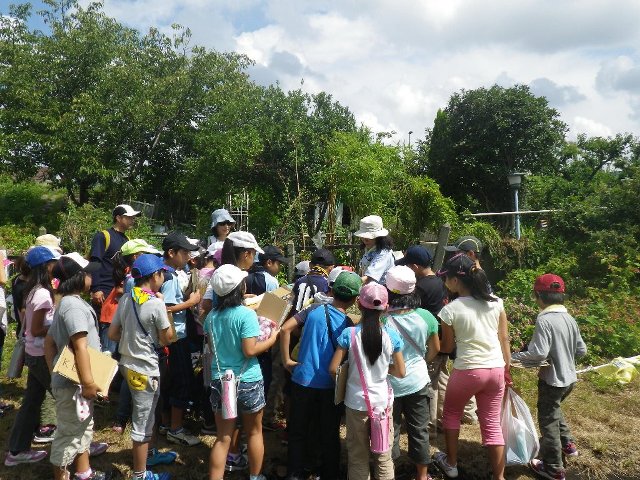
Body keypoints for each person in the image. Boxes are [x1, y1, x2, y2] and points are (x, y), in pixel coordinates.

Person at [432, 253, 511, 480]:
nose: (445, 282)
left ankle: (452, 464)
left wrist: (432, 347)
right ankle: (499, 477)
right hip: (495, 369)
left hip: (467, 369)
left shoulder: (450, 310)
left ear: (456, 280)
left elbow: (447, 347)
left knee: (452, 414)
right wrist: (507, 368)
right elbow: (504, 339)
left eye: (446, 277)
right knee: (491, 422)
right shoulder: (496, 302)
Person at [280, 271, 362, 480]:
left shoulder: (313, 310)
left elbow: (285, 329)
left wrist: (286, 360)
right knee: (329, 433)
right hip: (329, 386)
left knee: (298, 431)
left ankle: (294, 473)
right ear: (354, 299)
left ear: (331, 290)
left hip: (302, 380)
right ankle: (330, 472)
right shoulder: (348, 325)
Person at [204, 264, 279, 480]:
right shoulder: (246, 315)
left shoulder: (211, 317)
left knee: (223, 437)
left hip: (221, 380)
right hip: (248, 380)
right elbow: (250, 350)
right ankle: (255, 477)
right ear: (239, 287)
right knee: (254, 432)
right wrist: (273, 337)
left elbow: (212, 344)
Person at [512, 274, 587, 480]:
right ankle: (568, 446)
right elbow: (581, 350)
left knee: (548, 421)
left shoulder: (544, 319)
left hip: (552, 381)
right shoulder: (569, 318)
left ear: (538, 296)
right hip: (569, 379)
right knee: (554, 410)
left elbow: (538, 353)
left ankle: (553, 468)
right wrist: (563, 354)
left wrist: (511, 357)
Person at [109, 254, 176, 480]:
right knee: (142, 422)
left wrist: (131, 340)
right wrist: (166, 309)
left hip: (126, 364)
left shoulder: (127, 299)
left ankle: (150, 455)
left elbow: (112, 333)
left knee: (147, 415)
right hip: (146, 369)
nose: (164, 277)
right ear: (154, 275)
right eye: (162, 273)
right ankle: (140, 474)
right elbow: (167, 339)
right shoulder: (156, 303)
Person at [329, 283, 405, 480]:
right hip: (382, 404)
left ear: (360, 306)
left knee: (357, 456)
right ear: (386, 308)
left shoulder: (349, 334)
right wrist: (383, 369)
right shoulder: (392, 336)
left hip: (355, 403)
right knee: (383, 456)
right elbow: (401, 371)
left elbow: (332, 369)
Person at [44, 253, 107, 480]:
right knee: (68, 434)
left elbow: (49, 342)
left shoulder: (67, 303)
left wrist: (54, 370)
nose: (92, 277)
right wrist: (88, 382)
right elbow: (80, 347)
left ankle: (83, 472)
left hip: (74, 383)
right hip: (75, 385)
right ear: (78, 277)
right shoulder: (73, 307)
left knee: (82, 429)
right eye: (88, 273)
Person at [382, 265, 440, 480]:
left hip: (389, 385)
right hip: (417, 381)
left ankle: (390, 473)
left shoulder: (381, 319)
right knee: (419, 430)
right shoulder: (426, 316)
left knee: (390, 431)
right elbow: (435, 349)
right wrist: (419, 362)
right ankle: (422, 476)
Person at [5, 246, 60, 467]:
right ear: (45, 267)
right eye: (53, 263)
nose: (56, 267)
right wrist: (58, 326)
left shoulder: (32, 289)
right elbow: (37, 329)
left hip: (33, 353)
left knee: (31, 402)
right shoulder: (43, 294)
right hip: (40, 354)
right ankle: (80, 446)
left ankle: (16, 451)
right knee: (67, 398)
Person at [159, 232, 202, 447]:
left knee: (172, 380)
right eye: (184, 252)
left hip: (175, 335)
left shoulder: (167, 273)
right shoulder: (167, 277)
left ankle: (167, 423)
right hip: (175, 336)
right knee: (181, 380)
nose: (187, 256)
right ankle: (176, 429)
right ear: (171, 252)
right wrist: (191, 302)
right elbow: (164, 308)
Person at [89, 204, 140, 354]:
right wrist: (96, 288)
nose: (132, 220)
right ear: (118, 218)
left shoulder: (127, 239)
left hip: (120, 292)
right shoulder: (103, 236)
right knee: (105, 332)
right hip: (104, 290)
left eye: (132, 217)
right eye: (129, 217)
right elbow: (95, 262)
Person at [290, 248, 336, 314]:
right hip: (312, 322)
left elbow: (290, 303)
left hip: (294, 321)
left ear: (310, 265)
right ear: (331, 268)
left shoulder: (299, 281)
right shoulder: (327, 285)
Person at [354, 215, 395, 285]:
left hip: (379, 291)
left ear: (379, 237)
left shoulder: (383, 253)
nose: (364, 240)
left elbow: (369, 277)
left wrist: (350, 283)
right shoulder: (370, 248)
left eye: (368, 237)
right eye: (363, 237)